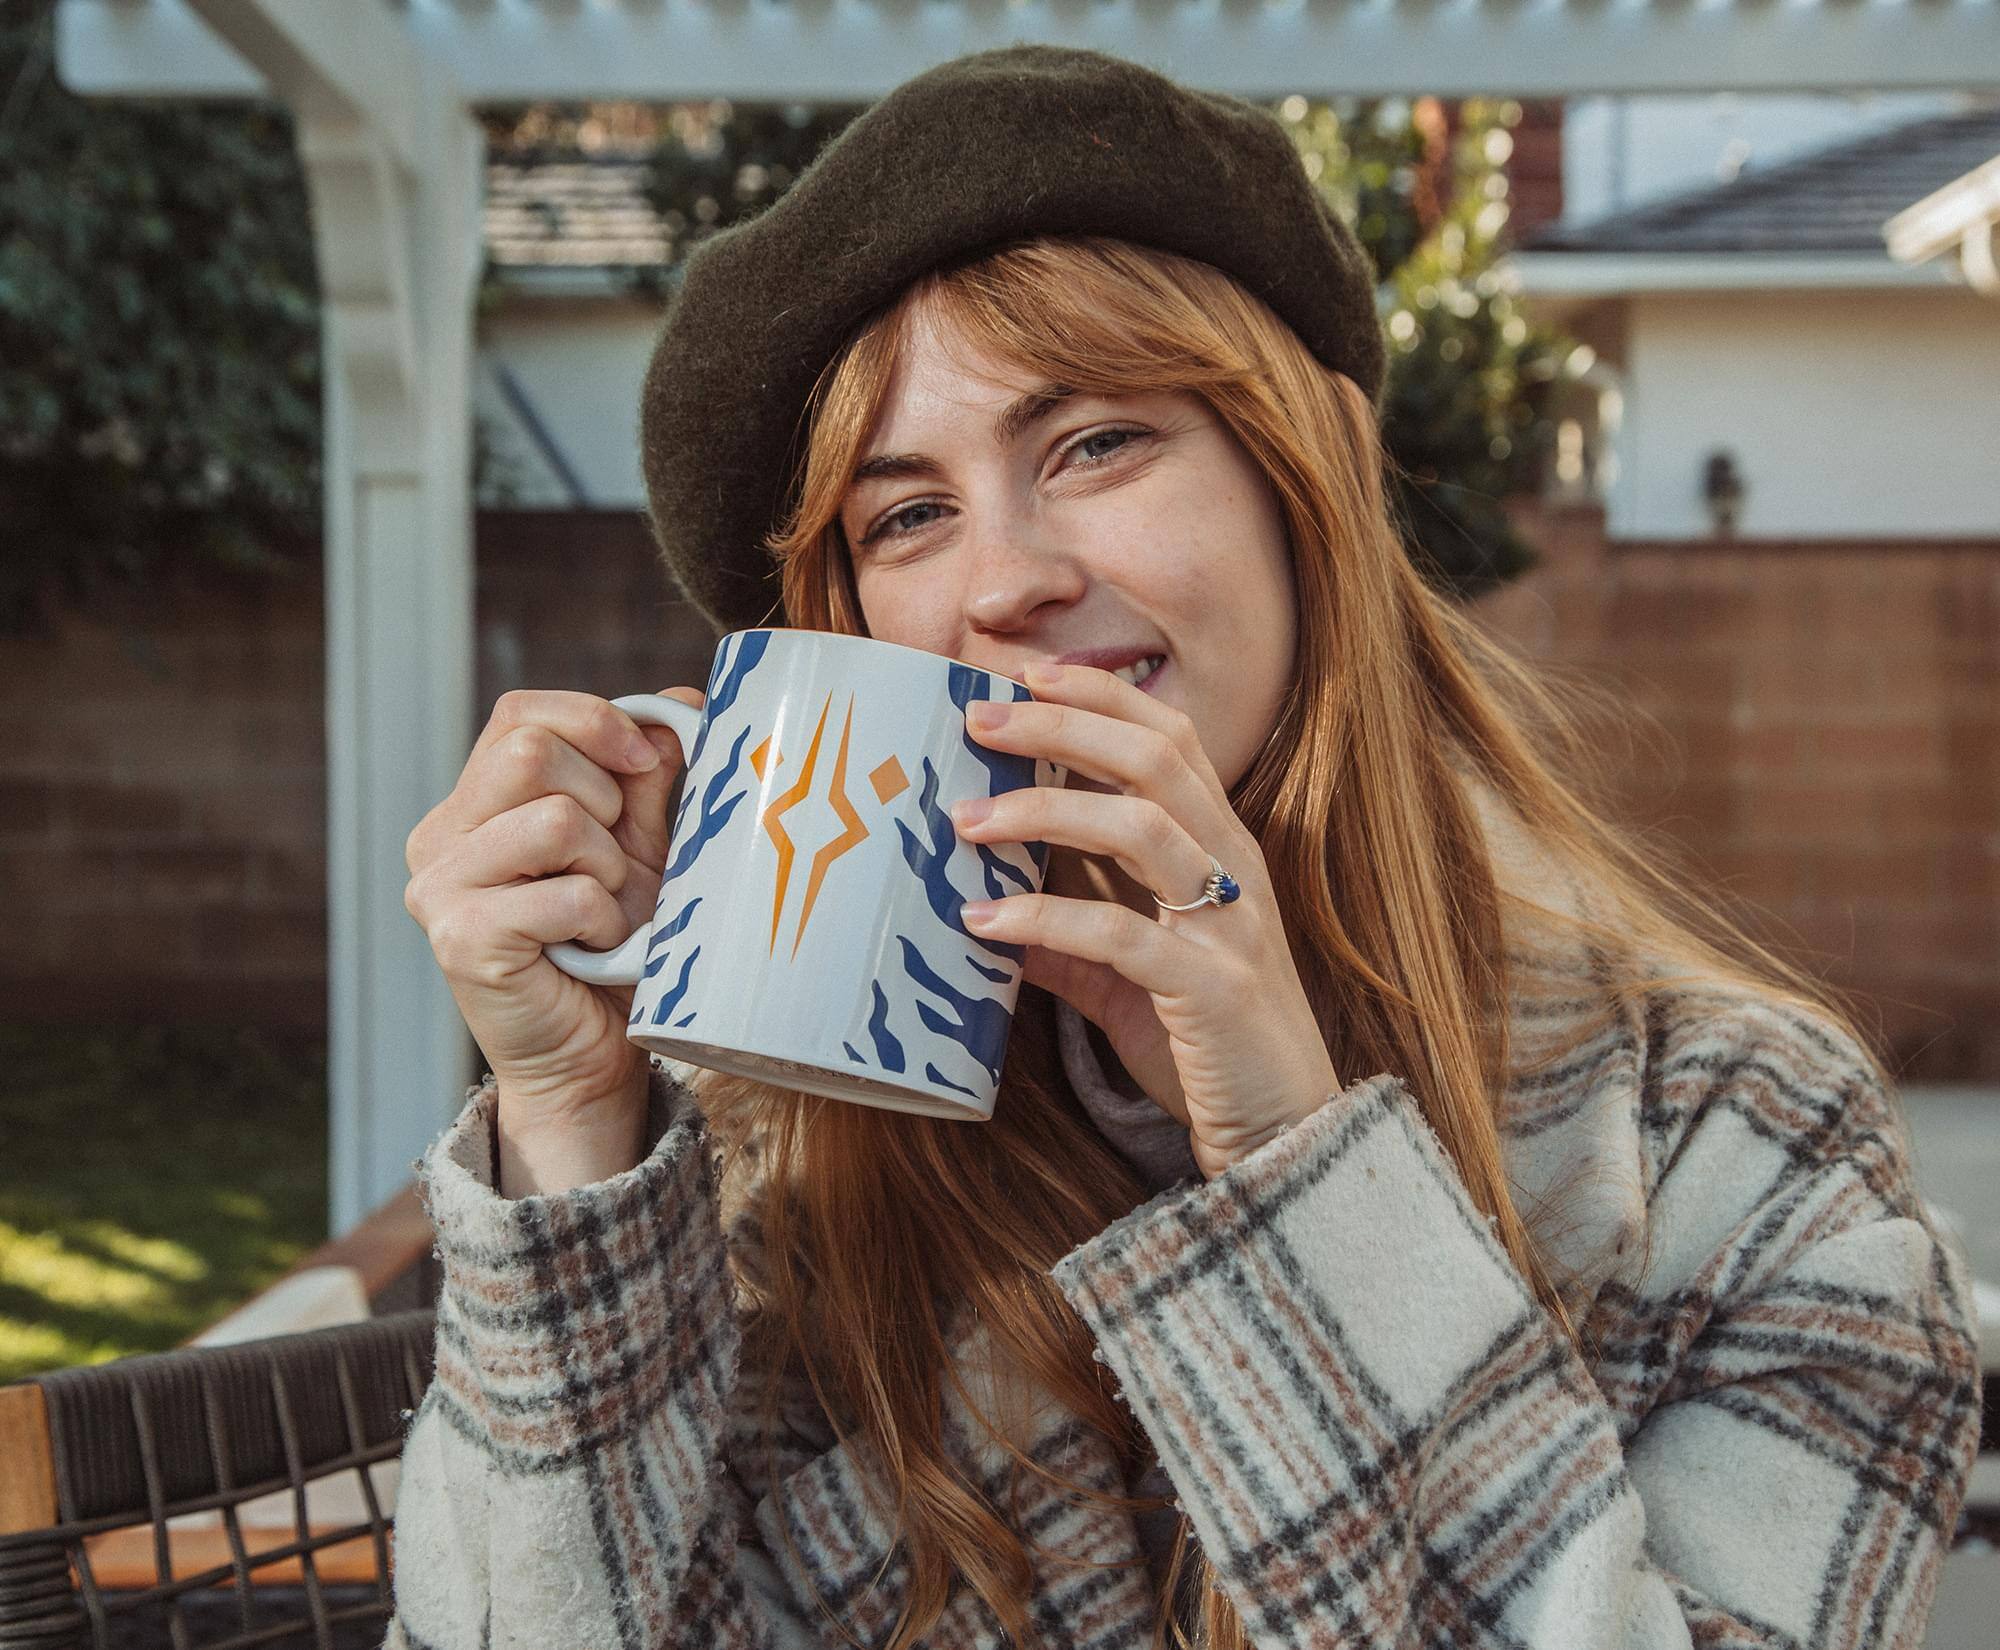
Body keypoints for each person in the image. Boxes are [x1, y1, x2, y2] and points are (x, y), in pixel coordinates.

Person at [388, 44, 1981, 1650]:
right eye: (907, 516)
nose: (1005, 580)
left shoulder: (1745, 1150)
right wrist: (572, 1122)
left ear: (1309, 489)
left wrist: (1302, 1169)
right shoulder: (787, 1175)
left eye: (1093, 444)